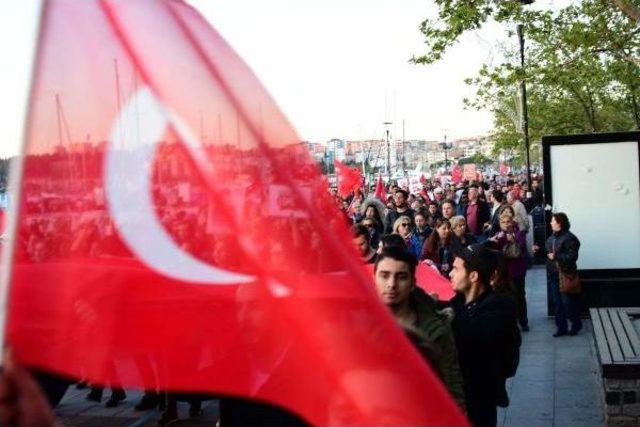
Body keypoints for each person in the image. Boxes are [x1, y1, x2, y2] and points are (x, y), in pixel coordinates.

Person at [373, 247, 466, 409]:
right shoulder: (357, 325)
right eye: (384, 275)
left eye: (401, 277)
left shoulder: (437, 327)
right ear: (374, 278)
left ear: (412, 282)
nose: (391, 284)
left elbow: (452, 381)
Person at [447, 244, 521, 427]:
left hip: (478, 402)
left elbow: (470, 333)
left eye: (455, 269)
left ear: (473, 276)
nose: (450, 273)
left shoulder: (500, 308)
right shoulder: (457, 304)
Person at [488, 211, 529, 331]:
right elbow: (493, 250)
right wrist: (495, 240)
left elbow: (522, 248)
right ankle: (511, 321)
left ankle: (523, 321)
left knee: (520, 296)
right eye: (503, 222)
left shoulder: (519, 233)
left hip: (517, 271)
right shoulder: (498, 234)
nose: (506, 224)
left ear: (512, 222)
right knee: (506, 297)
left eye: (508, 221)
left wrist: (512, 240)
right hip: (504, 271)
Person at [544, 212, 582, 336]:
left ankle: (576, 324)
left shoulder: (570, 238)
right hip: (554, 275)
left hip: (566, 274)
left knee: (567, 302)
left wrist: (556, 256)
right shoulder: (552, 237)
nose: (551, 222)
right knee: (557, 303)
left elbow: (572, 257)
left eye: (553, 221)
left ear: (559, 223)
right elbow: (548, 251)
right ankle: (561, 328)